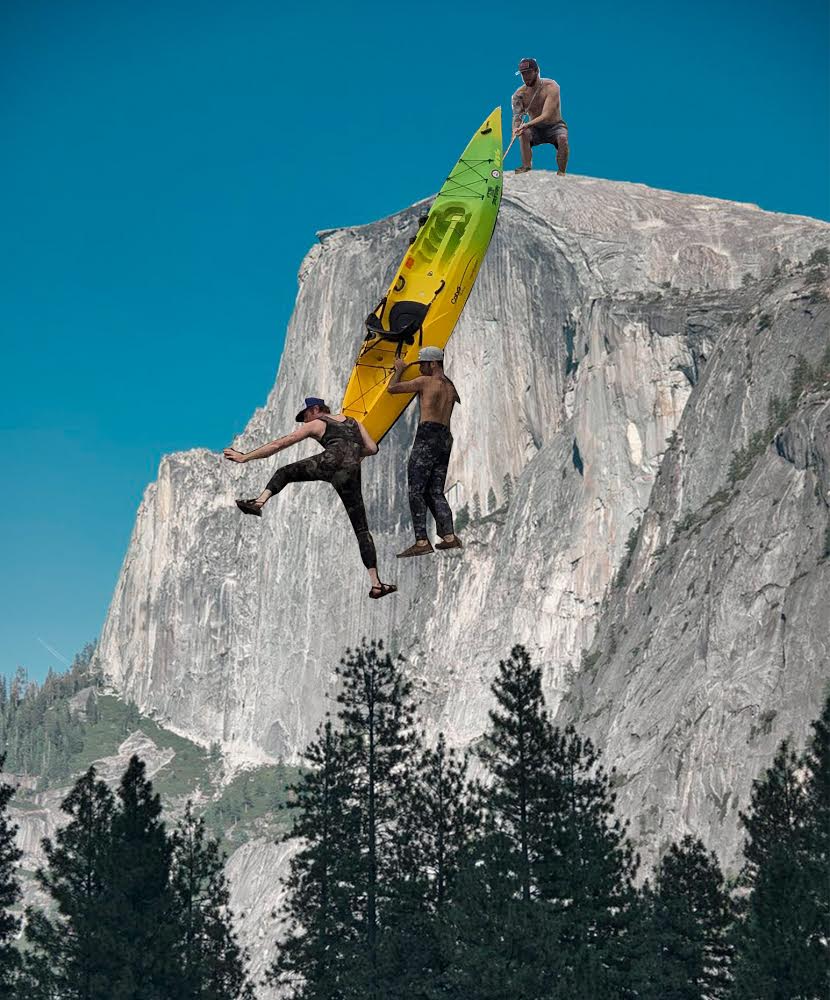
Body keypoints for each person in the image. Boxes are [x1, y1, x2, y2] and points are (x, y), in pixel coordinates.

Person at [223, 397, 397, 600]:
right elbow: (373, 449)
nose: (305, 421)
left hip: (331, 462)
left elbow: (280, 443)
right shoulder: (354, 422)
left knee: (284, 472)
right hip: (351, 470)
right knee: (361, 529)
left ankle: (258, 502)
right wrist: (353, 453)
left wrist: (244, 457)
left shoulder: (318, 423)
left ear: (315, 410)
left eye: (305, 416)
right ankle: (376, 584)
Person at [387, 346, 463, 558]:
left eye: (423, 364)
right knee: (435, 491)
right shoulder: (450, 387)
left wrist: (400, 369)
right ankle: (449, 536)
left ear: (434, 363)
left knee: (416, 489)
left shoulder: (425, 382)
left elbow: (392, 389)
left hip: (428, 435)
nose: (420, 368)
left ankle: (421, 541)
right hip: (445, 438)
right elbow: (456, 399)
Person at [511, 57, 569, 176]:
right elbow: (517, 117)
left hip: (555, 126)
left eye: (528, 73)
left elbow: (546, 115)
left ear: (536, 71)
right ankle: (526, 167)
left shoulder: (551, 86)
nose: (525, 77)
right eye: (523, 74)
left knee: (562, 138)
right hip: (535, 128)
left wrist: (526, 125)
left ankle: (561, 173)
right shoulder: (519, 94)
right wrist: (515, 129)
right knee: (523, 133)